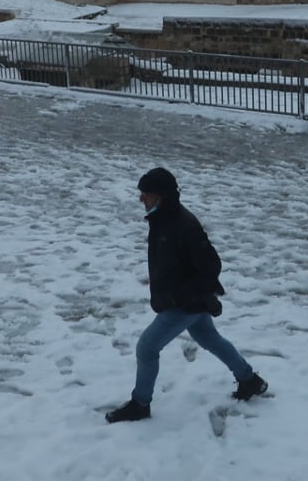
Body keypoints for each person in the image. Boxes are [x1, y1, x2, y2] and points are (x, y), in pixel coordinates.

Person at [105, 167, 267, 423]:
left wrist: (184, 296)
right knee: (209, 338)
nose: (141, 199)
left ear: (161, 196)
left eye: (145, 194)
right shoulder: (162, 219)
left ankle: (140, 403)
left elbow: (211, 265)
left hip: (182, 304)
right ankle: (250, 380)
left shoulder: (183, 225)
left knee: (147, 348)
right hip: (186, 300)